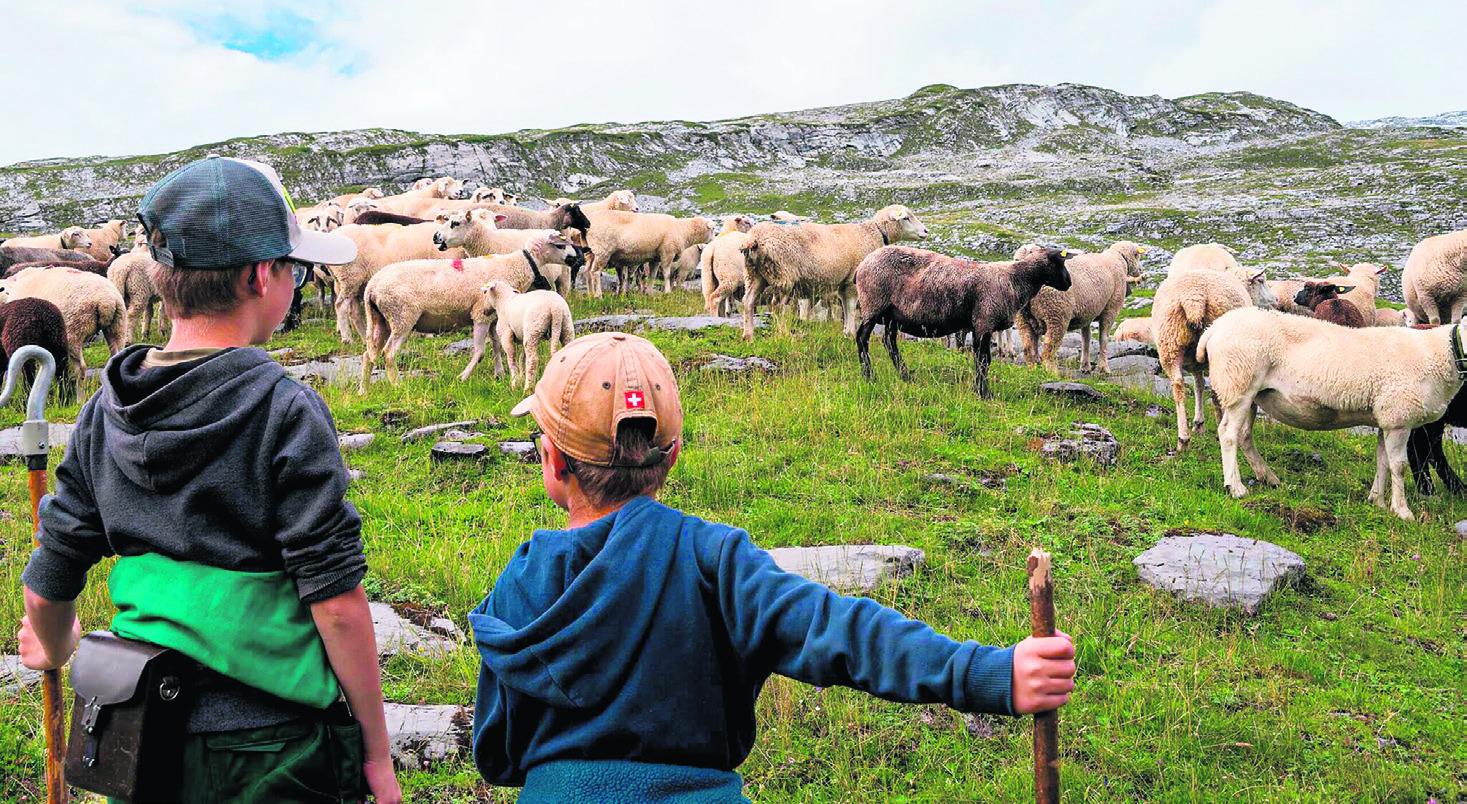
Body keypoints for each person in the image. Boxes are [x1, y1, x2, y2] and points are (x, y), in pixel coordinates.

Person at [469, 332, 1077, 802]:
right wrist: (991, 673)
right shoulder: (714, 560)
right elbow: (839, 630)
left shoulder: (519, 582)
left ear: (551, 459)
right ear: (673, 454)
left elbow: (495, 755)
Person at [16, 155, 402, 804]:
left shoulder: (103, 409)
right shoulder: (284, 408)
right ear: (261, 276)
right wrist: (377, 755)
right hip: (273, 749)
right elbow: (335, 603)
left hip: (139, 744)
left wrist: (55, 647)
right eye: (295, 268)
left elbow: (50, 577)